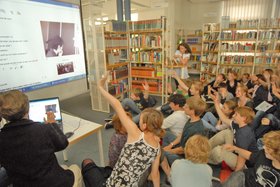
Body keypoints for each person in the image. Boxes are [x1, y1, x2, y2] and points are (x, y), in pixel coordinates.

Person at [81, 73, 165, 187]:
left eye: (140, 119)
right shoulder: (157, 148)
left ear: (144, 126)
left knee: (87, 162)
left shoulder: (136, 134)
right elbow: (155, 175)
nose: (138, 121)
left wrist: (100, 86)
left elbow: (116, 104)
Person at [0, 90, 82, 187]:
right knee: (75, 168)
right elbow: (63, 143)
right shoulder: (43, 129)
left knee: (62, 167)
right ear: (27, 109)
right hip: (55, 183)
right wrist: (52, 123)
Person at [208, 92, 258, 171]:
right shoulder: (237, 124)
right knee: (227, 132)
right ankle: (204, 148)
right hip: (236, 150)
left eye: (236, 115)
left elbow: (242, 156)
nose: (233, 116)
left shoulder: (244, 134)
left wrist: (236, 174)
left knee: (218, 151)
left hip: (245, 163)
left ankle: (203, 158)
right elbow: (224, 118)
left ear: (244, 118)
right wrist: (216, 103)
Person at [163, 96, 207, 165]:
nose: (183, 107)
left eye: (186, 107)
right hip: (181, 146)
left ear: (192, 111)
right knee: (166, 133)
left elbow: (183, 150)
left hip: (185, 156)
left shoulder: (196, 129)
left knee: (161, 154)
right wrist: (171, 145)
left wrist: (169, 150)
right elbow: (182, 134)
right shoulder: (191, 119)